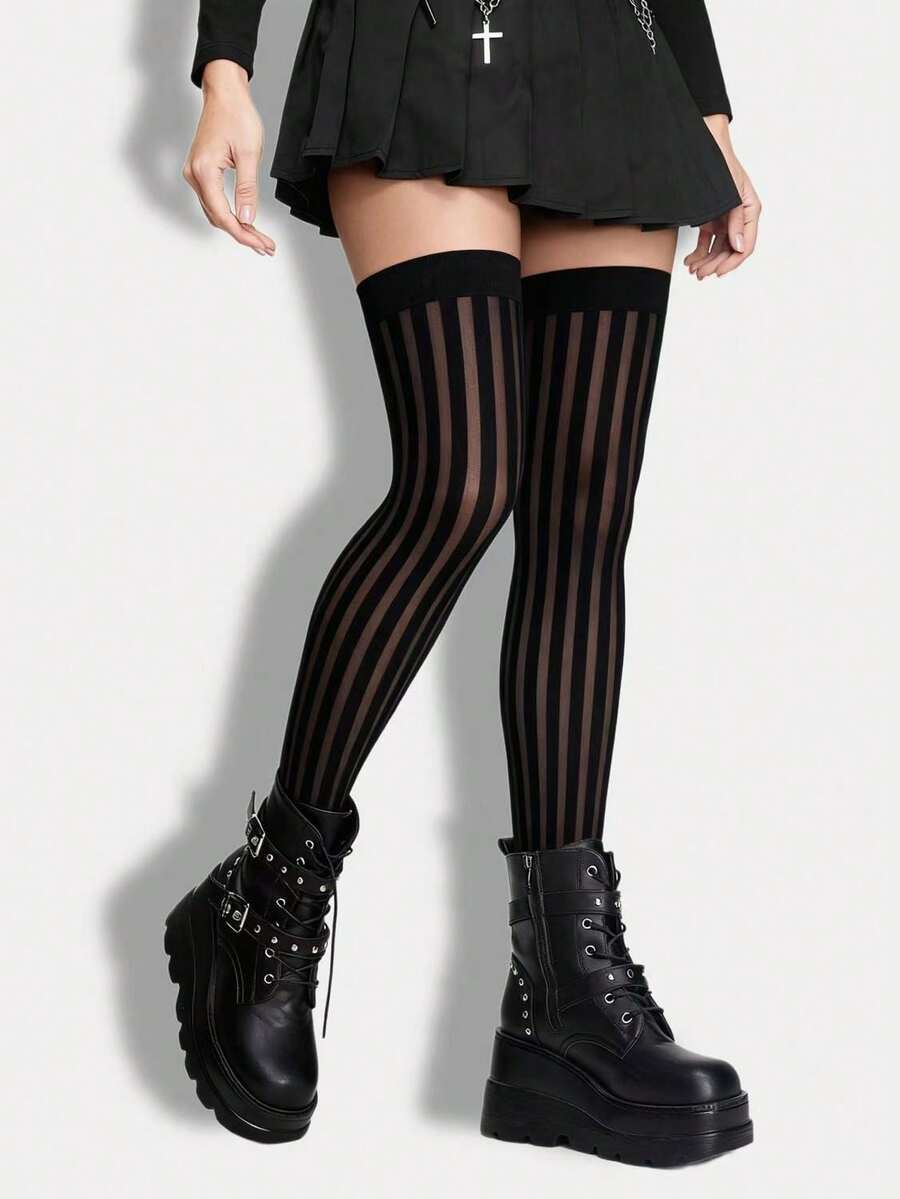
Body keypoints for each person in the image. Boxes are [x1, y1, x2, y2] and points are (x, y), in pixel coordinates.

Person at [166, 0, 761, 1162]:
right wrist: (224, 65)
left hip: (609, 56)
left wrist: (711, 114)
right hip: (424, 38)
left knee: (584, 514)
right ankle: (266, 895)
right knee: (463, 478)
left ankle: (563, 998)